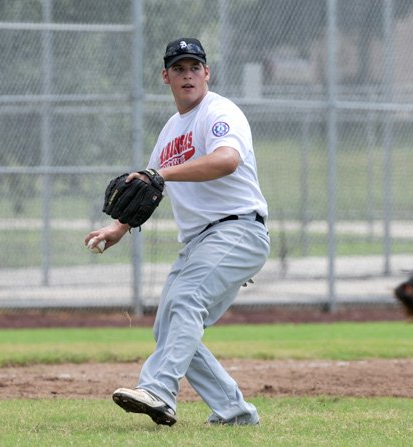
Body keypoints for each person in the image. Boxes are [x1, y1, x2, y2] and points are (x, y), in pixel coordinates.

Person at [85, 37, 270, 427]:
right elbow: (150, 188)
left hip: (237, 228)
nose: (188, 75)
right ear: (165, 77)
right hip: (201, 242)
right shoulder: (171, 130)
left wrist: (161, 172)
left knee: (185, 303)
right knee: (168, 327)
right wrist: (120, 227)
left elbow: (226, 160)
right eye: (179, 68)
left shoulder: (220, 112)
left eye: (194, 67)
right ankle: (235, 412)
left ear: (207, 73)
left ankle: (158, 390)